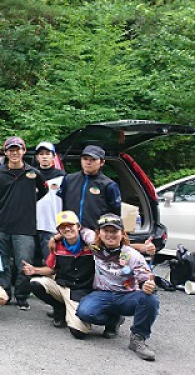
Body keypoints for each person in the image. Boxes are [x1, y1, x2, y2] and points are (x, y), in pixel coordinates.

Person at [76, 214, 159, 361]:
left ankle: (138, 339)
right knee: (84, 312)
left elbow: (146, 278)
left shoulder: (133, 255)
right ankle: (113, 320)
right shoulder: (94, 244)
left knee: (151, 299)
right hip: (102, 294)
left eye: (114, 231)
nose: (109, 235)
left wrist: (148, 285)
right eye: (105, 231)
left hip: (126, 296)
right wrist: (55, 238)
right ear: (98, 233)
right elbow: (79, 228)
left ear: (122, 233)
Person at [0, 136, 48, 310]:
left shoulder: (33, 173)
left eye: (18, 149)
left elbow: (44, 191)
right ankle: (4, 294)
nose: (14, 153)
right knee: (3, 263)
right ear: (5, 152)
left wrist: (29, 201)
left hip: (25, 227)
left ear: (23, 151)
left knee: (24, 263)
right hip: (3, 226)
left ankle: (22, 296)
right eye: (10, 150)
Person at [22, 211, 94, 338]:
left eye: (70, 225)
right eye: (63, 226)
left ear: (78, 227)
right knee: (35, 283)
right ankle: (59, 308)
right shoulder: (57, 246)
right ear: (59, 230)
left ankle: (112, 320)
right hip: (62, 286)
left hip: (81, 290)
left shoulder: (90, 244)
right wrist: (35, 270)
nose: (67, 228)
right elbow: (52, 269)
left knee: (79, 332)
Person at [57, 145, 121, 231]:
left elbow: (116, 212)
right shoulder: (69, 179)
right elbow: (60, 205)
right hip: (70, 231)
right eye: (85, 159)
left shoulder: (108, 185)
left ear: (102, 162)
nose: (88, 162)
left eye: (93, 159)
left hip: (95, 233)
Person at [34, 141, 66, 262]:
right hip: (31, 226)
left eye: (47, 153)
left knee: (51, 261)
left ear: (53, 156)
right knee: (31, 262)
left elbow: (66, 202)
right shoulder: (30, 174)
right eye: (41, 154)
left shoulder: (62, 177)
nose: (44, 156)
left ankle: (50, 282)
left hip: (51, 225)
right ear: (37, 157)